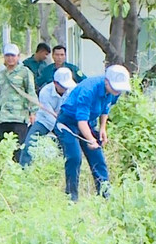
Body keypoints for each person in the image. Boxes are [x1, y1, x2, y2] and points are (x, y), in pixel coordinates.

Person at [55, 65, 131, 201]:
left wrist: (103, 128)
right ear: (106, 81)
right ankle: (71, 197)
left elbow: (105, 109)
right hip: (68, 123)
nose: (118, 91)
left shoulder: (114, 92)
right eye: (116, 87)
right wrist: (91, 140)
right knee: (74, 157)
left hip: (88, 123)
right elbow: (81, 121)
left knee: (98, 157)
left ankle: (105, 195)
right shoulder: (88, 90)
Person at [18, 67, 77, 167]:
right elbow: (48, 115)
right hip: (45, 120)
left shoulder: (73, 89)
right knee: (29, 144)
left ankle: (67, 167)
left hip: (65, 121)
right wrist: (59, 124)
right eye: (63, 86)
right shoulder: (45, 92)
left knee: (70, 146)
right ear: (55, 83)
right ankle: (24, 168)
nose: (65, 88)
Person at [0, 43, 37, 162]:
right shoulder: (1, 74)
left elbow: (31, 93)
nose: (10, 58)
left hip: (18, 117)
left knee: (17, 149)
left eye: (13, 55)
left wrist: (33, 112)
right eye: (7, 55)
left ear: (18, 56)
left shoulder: (25, 72)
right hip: (2, 118)